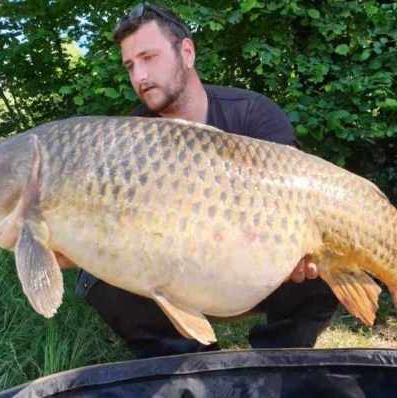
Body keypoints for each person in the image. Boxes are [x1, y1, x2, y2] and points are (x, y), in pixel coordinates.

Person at [76, 2, 339, 359]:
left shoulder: (251, 113)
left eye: (148, 57)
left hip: (257, 271)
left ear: (186, 52)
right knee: (94, 276)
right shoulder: (132, 138)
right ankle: (189, 366)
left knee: (330, 256)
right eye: (130, 65)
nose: (139, 76)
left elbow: (299, 202)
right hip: (176, 279)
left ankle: (280, 360)